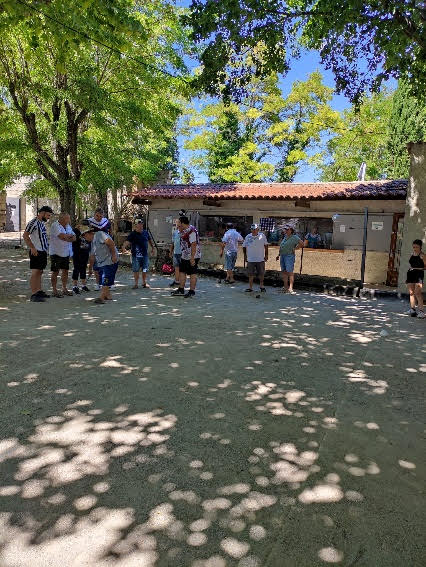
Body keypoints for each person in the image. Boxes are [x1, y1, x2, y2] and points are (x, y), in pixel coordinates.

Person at [22, 205, 54, 302]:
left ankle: (39, 291)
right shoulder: (33, 222)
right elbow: (25, 235)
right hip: (36, 251)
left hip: (42, 251)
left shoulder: (41, 223)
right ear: (42, 213)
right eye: (48, 215)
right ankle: (34, 293)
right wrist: (32, 247)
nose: (48, 217)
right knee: (35, 272)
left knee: (40, 271)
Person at [84, 228, 119, 304]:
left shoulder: (99, 234)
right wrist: (90, 269)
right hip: (102, 263)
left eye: (85, 236)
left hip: (110, 260)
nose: (84, 238)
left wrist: (113, 255)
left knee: (105, 278)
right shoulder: (92, 242)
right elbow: (92, 257)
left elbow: (110, 242)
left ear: (89, 233)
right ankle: (107, 295)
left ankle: (102, 297)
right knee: (105, 278)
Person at [171, 216, 201, 298]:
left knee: (192, 273)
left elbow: (193, 244)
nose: (177, 226)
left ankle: (192, 291)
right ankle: (181, 289)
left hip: (193, 255)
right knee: (182, 271)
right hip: (184, 255)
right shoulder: (183, 230)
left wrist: (192, 257)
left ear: (182, 223)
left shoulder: (192, 231)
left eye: (179, 224)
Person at [122, 219, 155, 289]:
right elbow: (127, 241)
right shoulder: (133, 234)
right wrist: (123, 248)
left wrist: (152, 248)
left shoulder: (145, 232)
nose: (140, 226)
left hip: (145, 255)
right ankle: (136, 284)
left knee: (144, 269)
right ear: (135, 226)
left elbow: (149, 240)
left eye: (141, 224)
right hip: (135, 256)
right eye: (139, 224)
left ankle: (144, 283)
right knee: (136, 270)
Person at [49, 213, 76, 298]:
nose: (69, 220)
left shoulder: (68, 226)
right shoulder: (55, 225)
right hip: (56, 252)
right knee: (55, 271)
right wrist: (68, 237)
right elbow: (61, 236)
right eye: (67, 219)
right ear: (62, 219)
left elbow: (74, 237)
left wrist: (68, 237)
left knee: (65, 271)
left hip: (66, 252)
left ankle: (64, 289)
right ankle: (54, 290)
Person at [88, 208, 112, 290]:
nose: (98, 218)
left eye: (100, 216)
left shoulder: (106, 222)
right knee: (96, 264)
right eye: (97, 216)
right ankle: (97, 283)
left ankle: (108, 283)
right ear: (94, 214)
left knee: (107, 264)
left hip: (105, 246)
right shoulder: (89, 222)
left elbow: (110, 231)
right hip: (94, 245)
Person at [276, 226, 303, 294]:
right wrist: (278, 255)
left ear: (291, 230)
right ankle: (285, 287)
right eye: (285, 229)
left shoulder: (294, 237)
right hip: (283, 255)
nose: (286, 231)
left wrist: (295, 248)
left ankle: (291, 288)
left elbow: (302, 243)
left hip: (289, 256)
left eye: (287, 230)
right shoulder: (285, 237)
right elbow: (282, 246)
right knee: (284, 271)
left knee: (290, 272)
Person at [242, 223, 268, 293]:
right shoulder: (248, 236)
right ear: (251, 229)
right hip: (250, 259)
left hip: (260, 259)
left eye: (255, 229)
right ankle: (250, 287)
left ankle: (261, 286)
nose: (254, 231)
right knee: (250, 274)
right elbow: (244, 246)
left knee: (261, 274)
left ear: (258, 229)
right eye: (252, 229)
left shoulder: (262, 236)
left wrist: (266, 255)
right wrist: (245, 256)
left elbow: (266, 246)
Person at [406, 239, 425, 318]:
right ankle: (413, 309)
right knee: (411, 293)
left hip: (419, 274)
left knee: (418, 293)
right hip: (411, 274)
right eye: (414, 247)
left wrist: (417, 268)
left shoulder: (423, 255)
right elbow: (411, 264)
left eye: (417, 247)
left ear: (420, 247)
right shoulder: (412, 254)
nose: (415, 249)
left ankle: (421, 312)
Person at [71, 226, 91, 294]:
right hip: (77, 254)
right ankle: (75, 286)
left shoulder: (87, 232)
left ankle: (83, 285)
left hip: (85, 254)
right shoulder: (75, 231)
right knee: (76, 269)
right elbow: (74, 239)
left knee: (83, 269)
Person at [169, 220, 182, 287]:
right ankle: (177, 281)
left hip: (183, 254)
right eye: (176, 223)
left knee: (182, 269)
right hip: (176, 253)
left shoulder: (185, 232)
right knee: (176, 267)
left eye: (179, 223)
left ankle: (182, 282)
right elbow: (173, 243)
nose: (177, 225)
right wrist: (170, 252)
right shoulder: (175, 233)